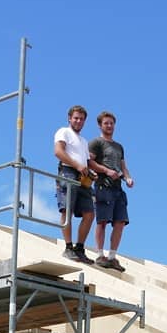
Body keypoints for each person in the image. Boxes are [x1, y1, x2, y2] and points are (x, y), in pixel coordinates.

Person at [88, 110, 133, 272]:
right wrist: (106, 171)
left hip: (117, 188)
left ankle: (112, 257)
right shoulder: (96, 143)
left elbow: (123, 166)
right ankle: (100, 254)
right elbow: (90, 162)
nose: (109, 126)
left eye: (111, 123)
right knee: (102, 221)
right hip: (103, 185)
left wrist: (128, 178)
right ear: (100, 125)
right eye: (106, 123)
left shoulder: (118, 146)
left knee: (120, 221)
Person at [53, 104, 97, 264]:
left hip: (82, 175)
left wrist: (90, 172)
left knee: (89, 213)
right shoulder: (63, 132)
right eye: (76, 118)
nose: (78, 121)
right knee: (67, 210)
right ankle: (68, 247)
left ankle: (79, 248)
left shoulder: (83, 141)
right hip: (68, 171)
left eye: (81, 119)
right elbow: (58, 151)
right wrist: (77, 165)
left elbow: (85, 161)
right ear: (69, 118)